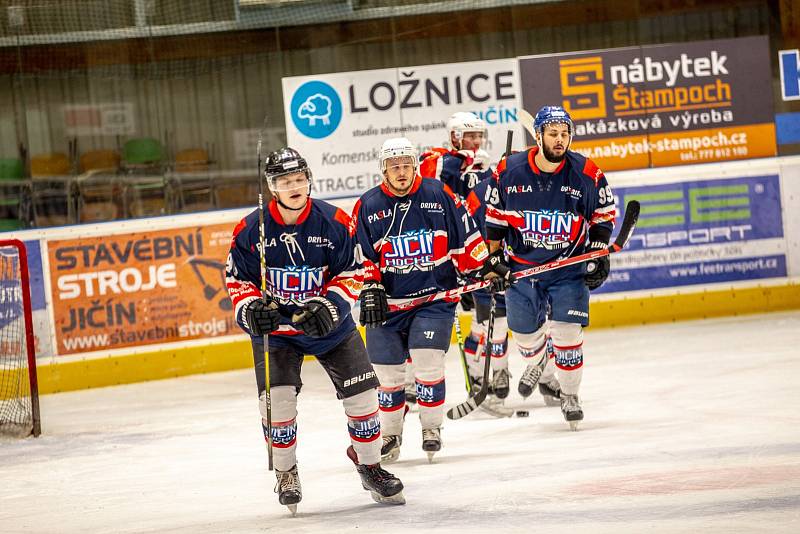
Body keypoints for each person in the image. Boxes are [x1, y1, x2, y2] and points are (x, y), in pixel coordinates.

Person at [225, 147, 404, 514]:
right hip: (277, 334)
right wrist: (249, 310)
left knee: (364, 401)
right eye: (284, 181)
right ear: (272, 187)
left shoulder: (334, 221)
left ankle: (369, 464)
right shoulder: (250, 228)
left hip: (332, 329)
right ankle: (286, 471)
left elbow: (352, 273)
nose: (294, 186)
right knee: (278, 406)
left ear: (309, 180)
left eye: (299, 179)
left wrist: (330, 305)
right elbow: (237, 279)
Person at [351, 137, 511, 463]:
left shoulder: (438, 194)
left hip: (433, 299)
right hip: (389, 306)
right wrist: (370, 288)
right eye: (394, 167)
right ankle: (392, 434)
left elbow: (467, 237)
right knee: (387, 377)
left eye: (406, 165)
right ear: (384, 170)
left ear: (414, 166)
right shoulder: (368, 205)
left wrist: (485, 268)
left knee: (426, 364)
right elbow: (359, 256)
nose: (400, 172)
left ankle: (431, 428)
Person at [484, 106, 616, 430]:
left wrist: (598, 249)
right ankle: (542, 362)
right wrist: (494, 259)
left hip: (568, 267)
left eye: (565, 133)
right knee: (527, 339)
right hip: (522, 268)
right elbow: (494, 219)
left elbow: (603, 213)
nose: (560, 140)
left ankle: (570, 395)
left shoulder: (586, 172)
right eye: (553, 133)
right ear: (539, 135)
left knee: (568, 335)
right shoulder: (509, 171)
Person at [418, 112, 506, 398]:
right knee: (420, 319)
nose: (476, 141)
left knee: (491, 317)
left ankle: (484, 376)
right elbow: (427, 172)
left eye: (479, 136)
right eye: (470, 136)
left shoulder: (486, 170)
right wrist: (464, 163)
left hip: (478, 253)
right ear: (455, 137)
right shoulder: (441, 160)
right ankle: (410, 383)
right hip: (443, 254)